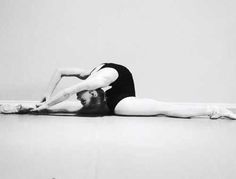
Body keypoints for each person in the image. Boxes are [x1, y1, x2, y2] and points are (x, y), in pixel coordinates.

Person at [1, 63, 236, 119]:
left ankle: (220, 109)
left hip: (120, 99)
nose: (80, 98)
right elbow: (61, 71)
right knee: (165, 108)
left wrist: (48, 101)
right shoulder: (93, 74)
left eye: (83, 98)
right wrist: (45, 96)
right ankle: (219, 110)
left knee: (165, 107)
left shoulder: (94, 81)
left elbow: (71, 87)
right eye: (84, 99)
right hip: (120, 103)